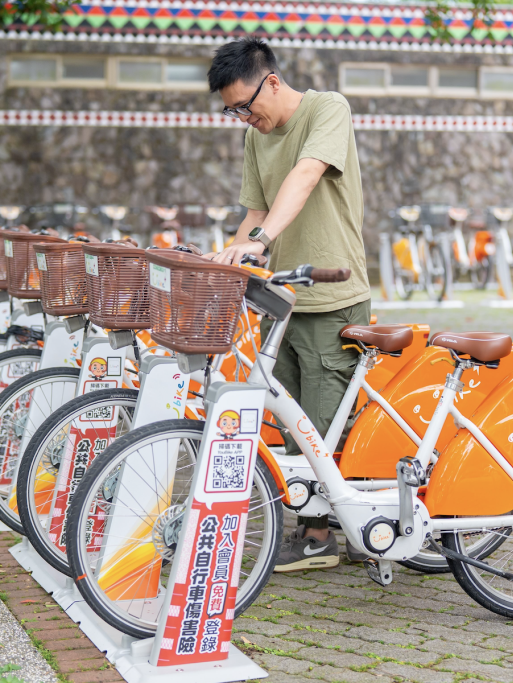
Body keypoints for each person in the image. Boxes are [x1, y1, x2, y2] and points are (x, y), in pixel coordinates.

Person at [206, 38, 371, 572]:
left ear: (271, 82)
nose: (243, 118)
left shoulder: (328, 108)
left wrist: (260, 241)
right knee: (289, 424)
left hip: (331, 298)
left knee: (321, 424)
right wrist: (227, 262)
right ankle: (312, 523)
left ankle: (321, 536)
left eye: (246, 105)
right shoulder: (258, 139)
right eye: (232, 111)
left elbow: (305, 176)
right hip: (282, 303)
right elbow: (255, 212)